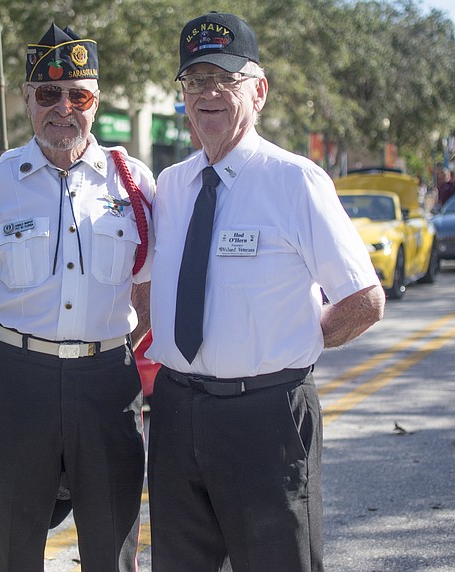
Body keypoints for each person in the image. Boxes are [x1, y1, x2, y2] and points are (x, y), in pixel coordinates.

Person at [145, 12, 385, 572]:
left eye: (224, 80)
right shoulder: (172, 186)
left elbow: (363, 299)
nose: (208, 94)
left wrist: (294, 344)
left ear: (259, 92)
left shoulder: (295, 181)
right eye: (195, 81)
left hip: (267, 415)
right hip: (178, 413)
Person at [0, 23, 154, 572]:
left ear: (95, 102)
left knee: (112, 544)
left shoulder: (131, 184)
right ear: (28, 100)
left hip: (107, 384)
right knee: (14, 544)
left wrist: (105, 348)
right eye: (48, 94)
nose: (63, 109)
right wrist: (17, 351)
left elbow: (147, 292)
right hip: (18, 386)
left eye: (77, 94)